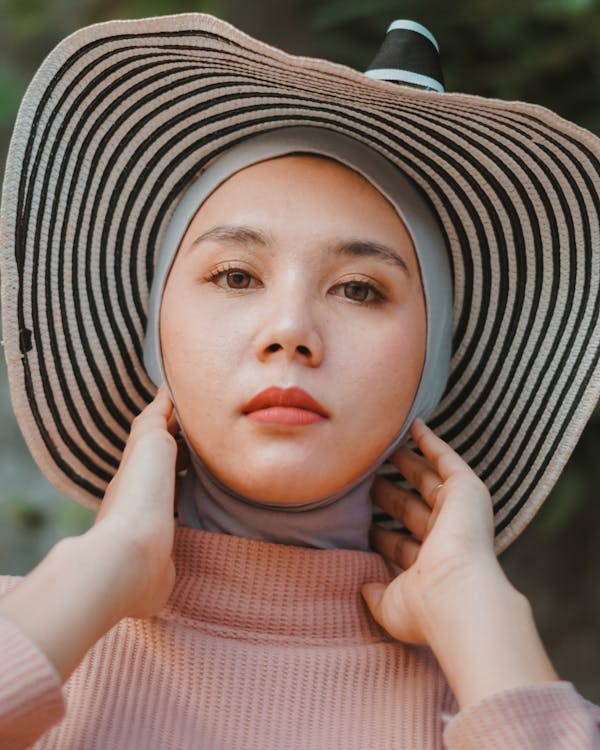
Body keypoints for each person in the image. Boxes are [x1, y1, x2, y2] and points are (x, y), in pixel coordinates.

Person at [0, 14, 598, 750]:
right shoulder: (36, 634)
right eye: (235, 275)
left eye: (359, 290)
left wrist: (479, 619)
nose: (290, 330)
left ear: (432, 368)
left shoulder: (495, 700)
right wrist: (101, 569)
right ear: (155, 336)